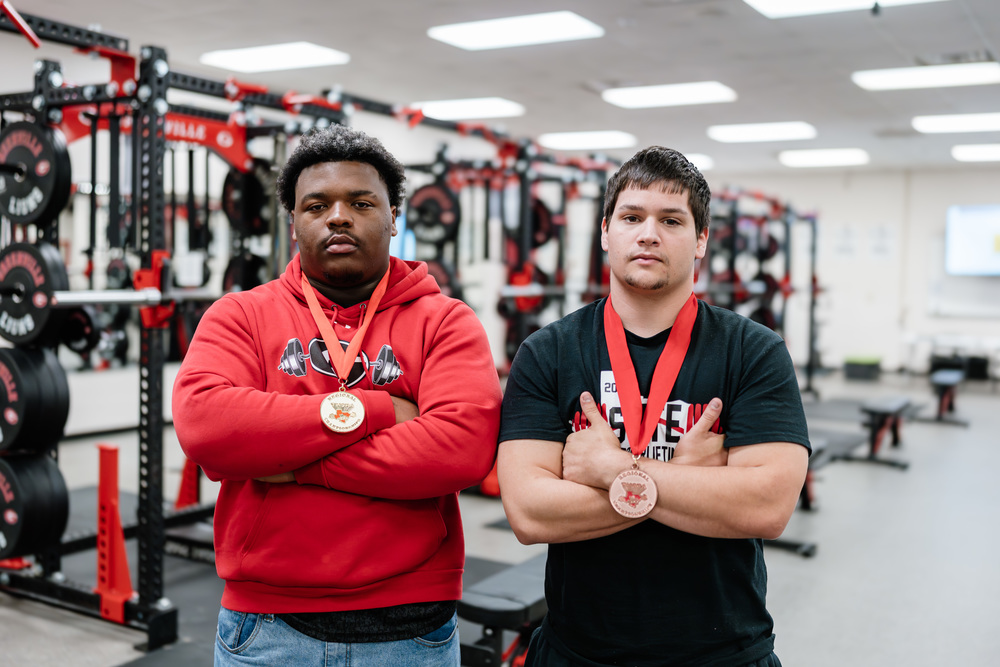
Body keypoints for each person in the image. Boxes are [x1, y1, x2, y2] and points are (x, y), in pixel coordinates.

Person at [172, 124, 501, 666]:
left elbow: (459, 449)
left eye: (361, 201)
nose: (339, 216)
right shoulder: (241, 315)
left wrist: (296, 463)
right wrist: (378, 410)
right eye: (317, 204)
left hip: (411, 631)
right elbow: (207, 426)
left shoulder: (445, 322)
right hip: (267, 628)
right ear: (295, 222)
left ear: (394, 216)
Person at [497, 146, 810, 666]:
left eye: (671, 219)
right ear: (605, 232)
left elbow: (766, 507)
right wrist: (689, 486)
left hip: (723, 653)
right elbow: (529, 512)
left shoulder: (754, 351)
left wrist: (612, 470)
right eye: (632, 217)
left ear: (701, 240)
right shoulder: (546, 352)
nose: (648, 233)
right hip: (579, 652)